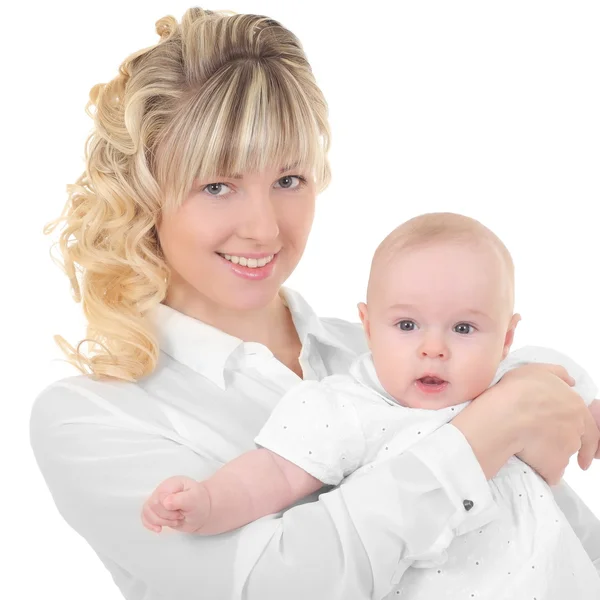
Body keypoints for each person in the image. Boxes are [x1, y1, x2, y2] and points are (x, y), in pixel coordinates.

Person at [29, 7, 600, 600]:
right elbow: (274, 585)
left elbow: (551, 522)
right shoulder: (92, 417)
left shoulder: (392, 349)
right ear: (143, 194)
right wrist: (492, 428)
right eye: (217, 186)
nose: (264, 228)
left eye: (288, 180)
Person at [141, 212, 600, 599]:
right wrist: (208, 500)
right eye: (406, 324)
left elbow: (584, 421)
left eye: (463, 329)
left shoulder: (524, 379)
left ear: (506, 337)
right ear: (367, 326)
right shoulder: (349, 406)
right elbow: (275, 473)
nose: (433, 348)